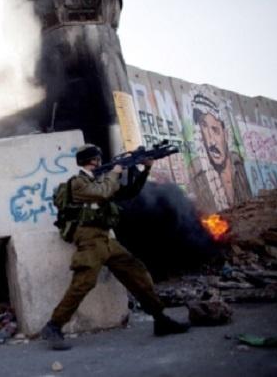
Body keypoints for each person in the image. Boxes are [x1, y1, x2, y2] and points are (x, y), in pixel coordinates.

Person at [41, 144, 190, 350]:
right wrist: (115, 172)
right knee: (83, 283)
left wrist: (145, 169)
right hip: (89, 239)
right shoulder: (78, 183)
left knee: (136, 272)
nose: (99, 161)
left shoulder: (101, 180)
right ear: (91, 160)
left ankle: (160, 318)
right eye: (97, 158)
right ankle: (54, 326)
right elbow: (102, 193)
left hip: (105, 238)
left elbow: (129, 192)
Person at [192, 93, 251, 210]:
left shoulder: (243, 168)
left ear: (226, 135)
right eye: (204, 131)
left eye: (215, 130)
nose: (211, 142)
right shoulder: (199, 179)